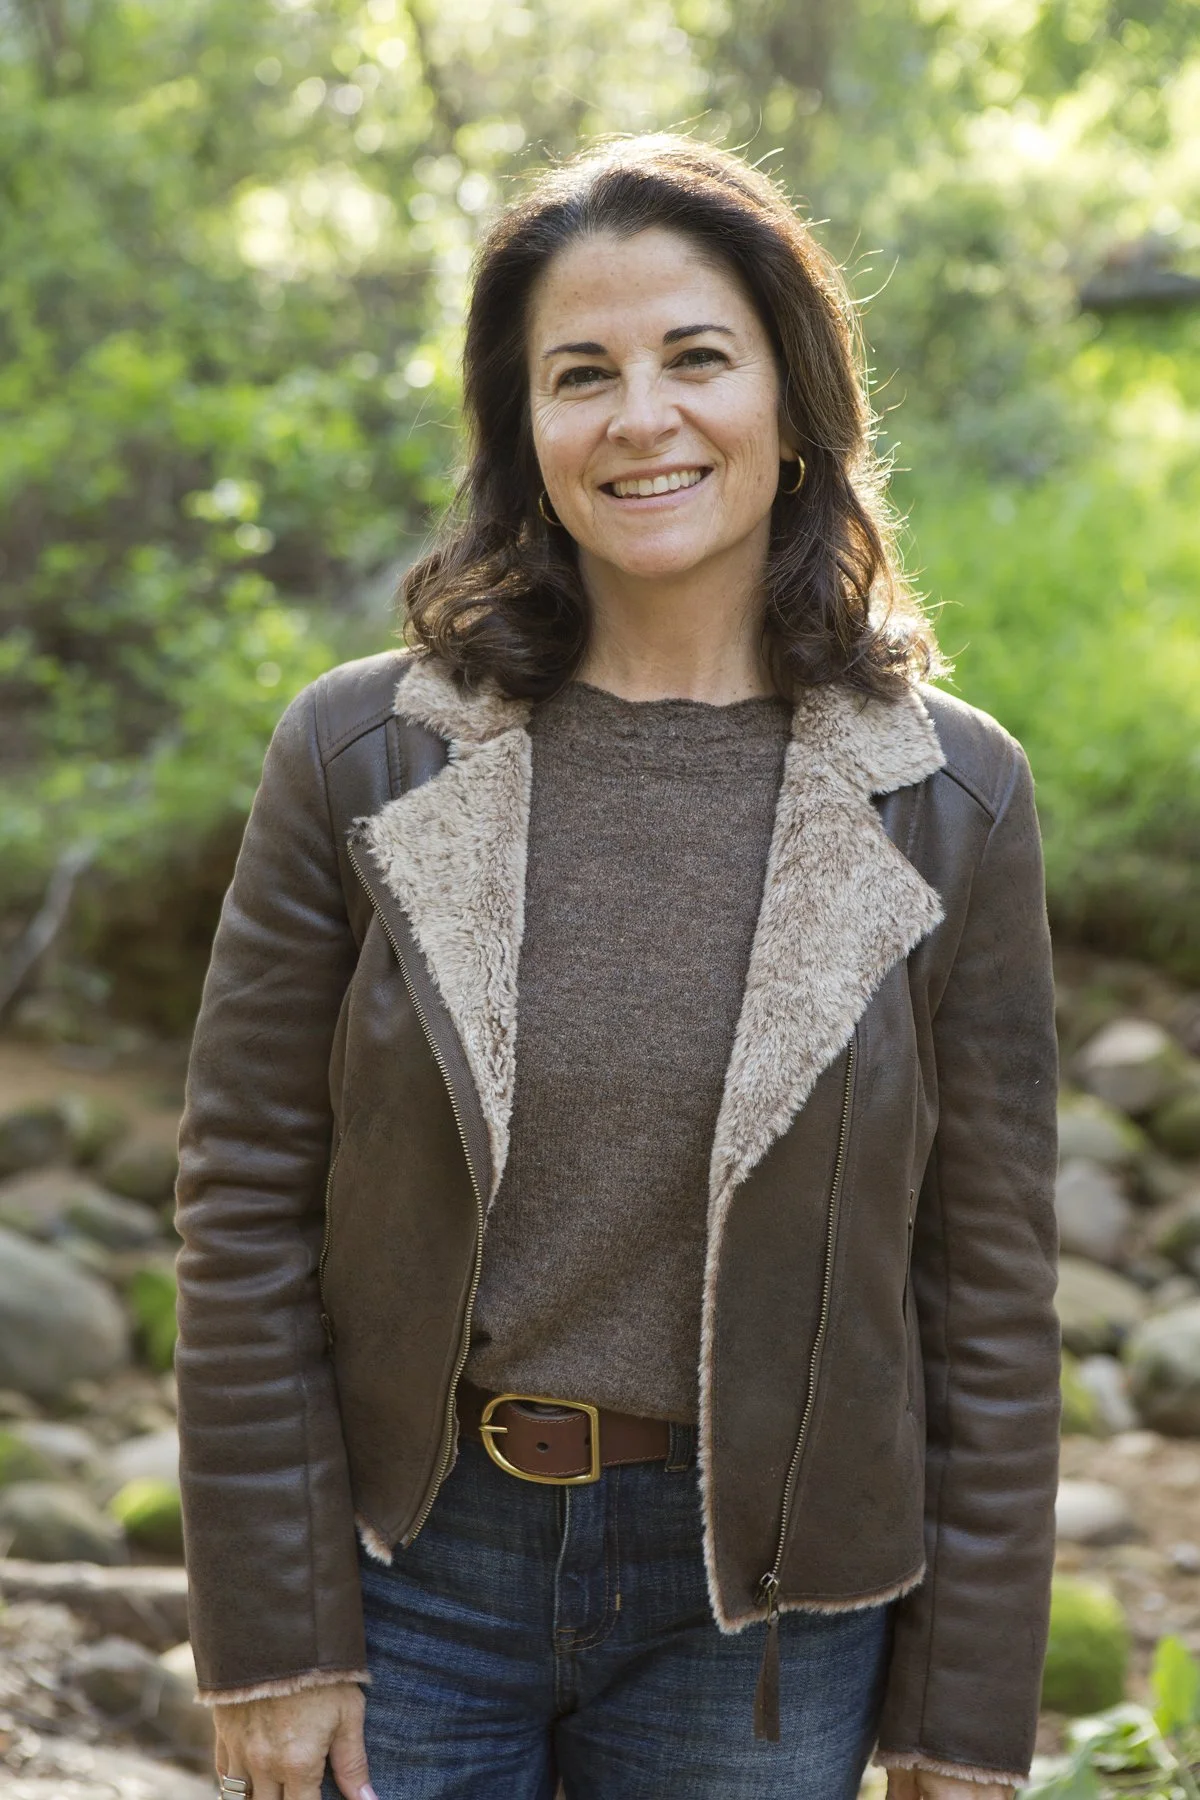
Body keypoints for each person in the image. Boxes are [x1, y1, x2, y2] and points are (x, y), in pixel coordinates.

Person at [174, 135, 1061, 1800]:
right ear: (526, 432)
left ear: (794, 404)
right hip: (407, 1569)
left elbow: (988, 1295)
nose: (640, 417)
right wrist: (274, 1636)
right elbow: (242, 1205)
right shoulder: (360, 756)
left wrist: (961, 1725)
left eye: (696, 358)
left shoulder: (955, 800)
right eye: (581, 375)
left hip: (770, 1629)